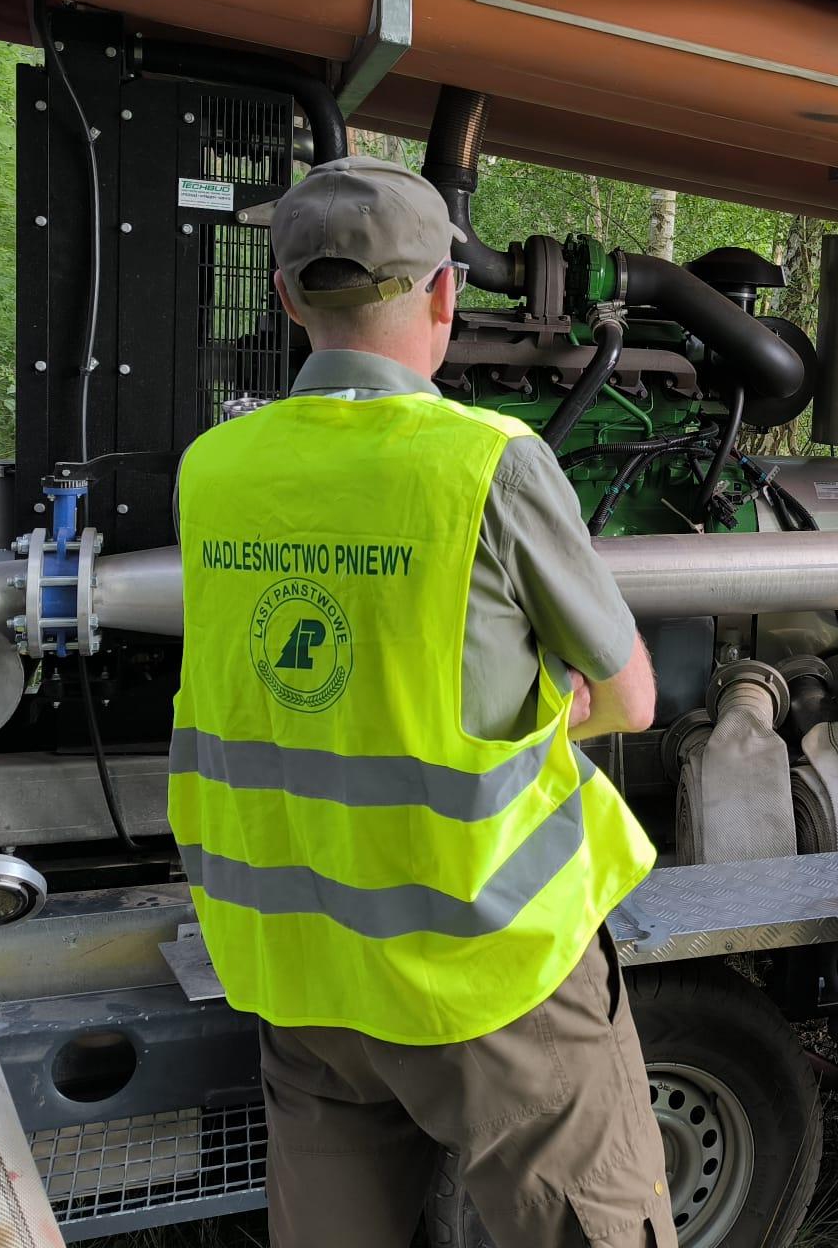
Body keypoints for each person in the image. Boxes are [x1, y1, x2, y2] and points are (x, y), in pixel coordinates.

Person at [168, 156, 675, 1248]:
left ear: (285, 297)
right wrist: (547, 705)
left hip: (301, 966)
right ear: (447, 291)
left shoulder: (213, 468)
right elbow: (629, 697)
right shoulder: (487, 462)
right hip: (484, 972)